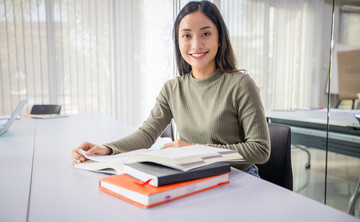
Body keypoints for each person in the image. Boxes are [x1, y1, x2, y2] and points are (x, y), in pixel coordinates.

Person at [72, 1, 270, 177]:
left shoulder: (241, 84)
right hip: (193, 175)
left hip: (238, 177)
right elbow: (147, 134)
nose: (196, 44)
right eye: (186, 35)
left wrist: (194, 150)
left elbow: (260, 149)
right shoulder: (172, 88)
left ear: (220, 38)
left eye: (206, 33)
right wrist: (106, 149)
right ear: (178, 41)